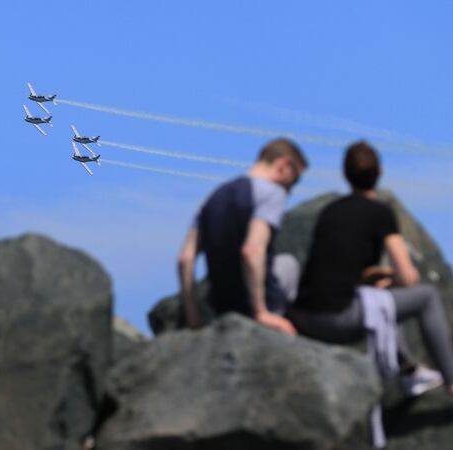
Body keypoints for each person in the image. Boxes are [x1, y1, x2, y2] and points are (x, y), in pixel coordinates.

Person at [288, 141, 453, 396]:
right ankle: (450, 379)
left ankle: (408, 368)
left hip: (303, 316)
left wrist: (378, 278)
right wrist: (393, 279)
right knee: (426, 296)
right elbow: (409, 277)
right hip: (337, 318)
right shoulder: (380, 213)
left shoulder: (330, 211)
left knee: (380, 300)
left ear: (345, 174)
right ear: (380, 173)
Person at [178, 138, 308, 335]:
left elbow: (185, 259)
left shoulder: (214, 197)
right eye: (294, 180)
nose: (290, 191)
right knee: (289, 264)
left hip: (221, 308)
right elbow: (251, 251)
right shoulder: (272, 193)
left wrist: (193, 318)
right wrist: (261, 312)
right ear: (284, 165)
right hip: (257, 305)